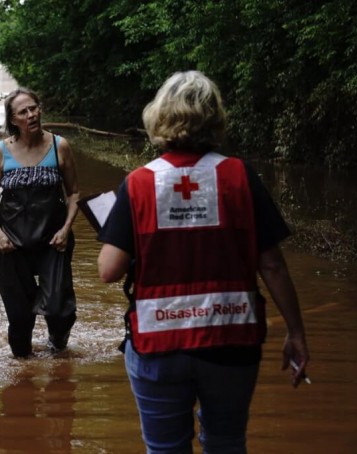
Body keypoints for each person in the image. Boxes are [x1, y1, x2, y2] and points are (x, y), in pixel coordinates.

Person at [97, 71, 309, 453]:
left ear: (159, 117)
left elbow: (109, 271)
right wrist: (296, 333)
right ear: (214, 118)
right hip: (231, 340)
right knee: (227, 443)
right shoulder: (240, 176)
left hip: (158, 342)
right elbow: (273, 265)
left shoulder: (140, 182)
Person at [0, 88, 80, 358]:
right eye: (24, 112)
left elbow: (73, 193)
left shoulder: (60, 146)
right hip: (11, 243)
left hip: (54, 241)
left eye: (34, 108)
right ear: (13, 119)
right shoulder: (1, 151)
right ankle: (21, 372)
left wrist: (66, 229)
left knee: (61, 311)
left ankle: (57, 345)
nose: (32, 114)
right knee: (19, 317)